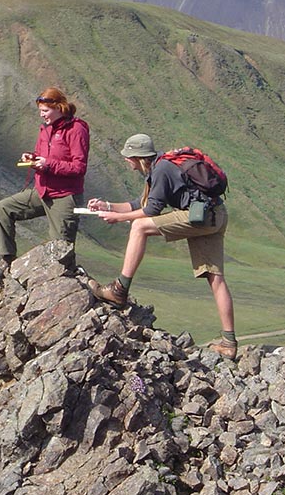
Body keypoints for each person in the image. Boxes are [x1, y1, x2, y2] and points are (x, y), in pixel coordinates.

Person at [86, 133, 238, 359]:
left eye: (128, 157)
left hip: (203, 218)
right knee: (214, 277)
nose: (127, 161)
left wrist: (118, 218)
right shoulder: (158, 167)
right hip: (215, 215)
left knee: (139, 227)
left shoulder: (161, 169)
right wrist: (107, 205)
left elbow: (150, 212)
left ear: (138, 157)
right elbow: (141, 203)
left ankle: (119, 290)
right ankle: (229, 343)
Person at [0, 87, 90, 276]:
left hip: (65, 196)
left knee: (61, 252)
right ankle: (7, 259)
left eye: (45, 111)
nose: (42, 115)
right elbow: (43, 155)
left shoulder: (76, 129)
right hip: (42, 191)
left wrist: (48, 165)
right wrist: (33, 158)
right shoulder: (46, 129)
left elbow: (79, 167)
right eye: (40, 111)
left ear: (59, 107)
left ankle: (72, 280)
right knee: (2, 208)